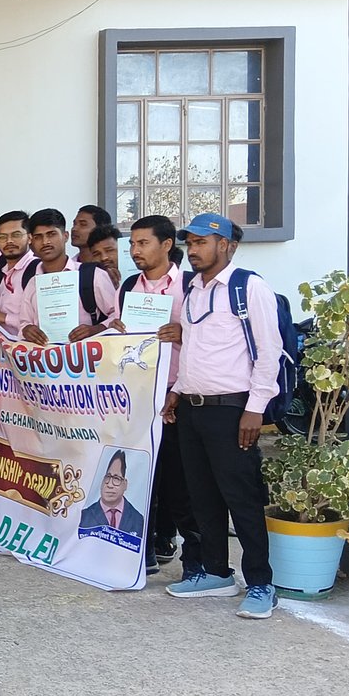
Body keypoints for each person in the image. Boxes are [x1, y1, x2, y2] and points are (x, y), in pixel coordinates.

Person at [163, 213, 281, 619]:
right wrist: (178, 391)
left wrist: (255, 409)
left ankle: (262, 583)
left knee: (241, 499)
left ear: (227, 245)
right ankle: (217, 573)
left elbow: (268, 353)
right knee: (202, 497)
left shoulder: (249, 287)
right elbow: (196, 350)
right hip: (193, 408)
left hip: (233, 409)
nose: (193, 250)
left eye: (201, 242)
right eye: (190, 243)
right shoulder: (193, 289)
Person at [124, 214, 195, 573]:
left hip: (176, 393)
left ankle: (178, 543)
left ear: (167, 245)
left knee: (176, 475)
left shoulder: (191, 286)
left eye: (143, 243)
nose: (135, 250)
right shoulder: (129, 287)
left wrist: (183, 333)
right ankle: (143, 546)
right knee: (139, 469)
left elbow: (208, 339)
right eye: (132, 244)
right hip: (137, 391)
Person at [19, 208, 120, 346]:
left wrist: (96, 329)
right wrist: (27, 330)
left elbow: (117, 315)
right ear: (31, 241)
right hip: (44, 357)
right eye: (38, 237)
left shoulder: (92, 275)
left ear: (65, 236)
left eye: (51, 234)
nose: (45, 242)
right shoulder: (32, 282)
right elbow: (24, 323)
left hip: (86, 356)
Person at [0, 210, 38, 337]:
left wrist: (5, 318)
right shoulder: (1, 271)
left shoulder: (37, 269)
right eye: (2, 237)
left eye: (16, 235)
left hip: (27, 348)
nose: (9, 241)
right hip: (5, 347)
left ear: (30, 238)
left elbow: (43, 323)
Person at [80, 450, 146, 534]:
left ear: (125, 484)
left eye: (116, 478)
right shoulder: (84, 517)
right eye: (107, 477)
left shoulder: (138, 520)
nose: (110, 485)